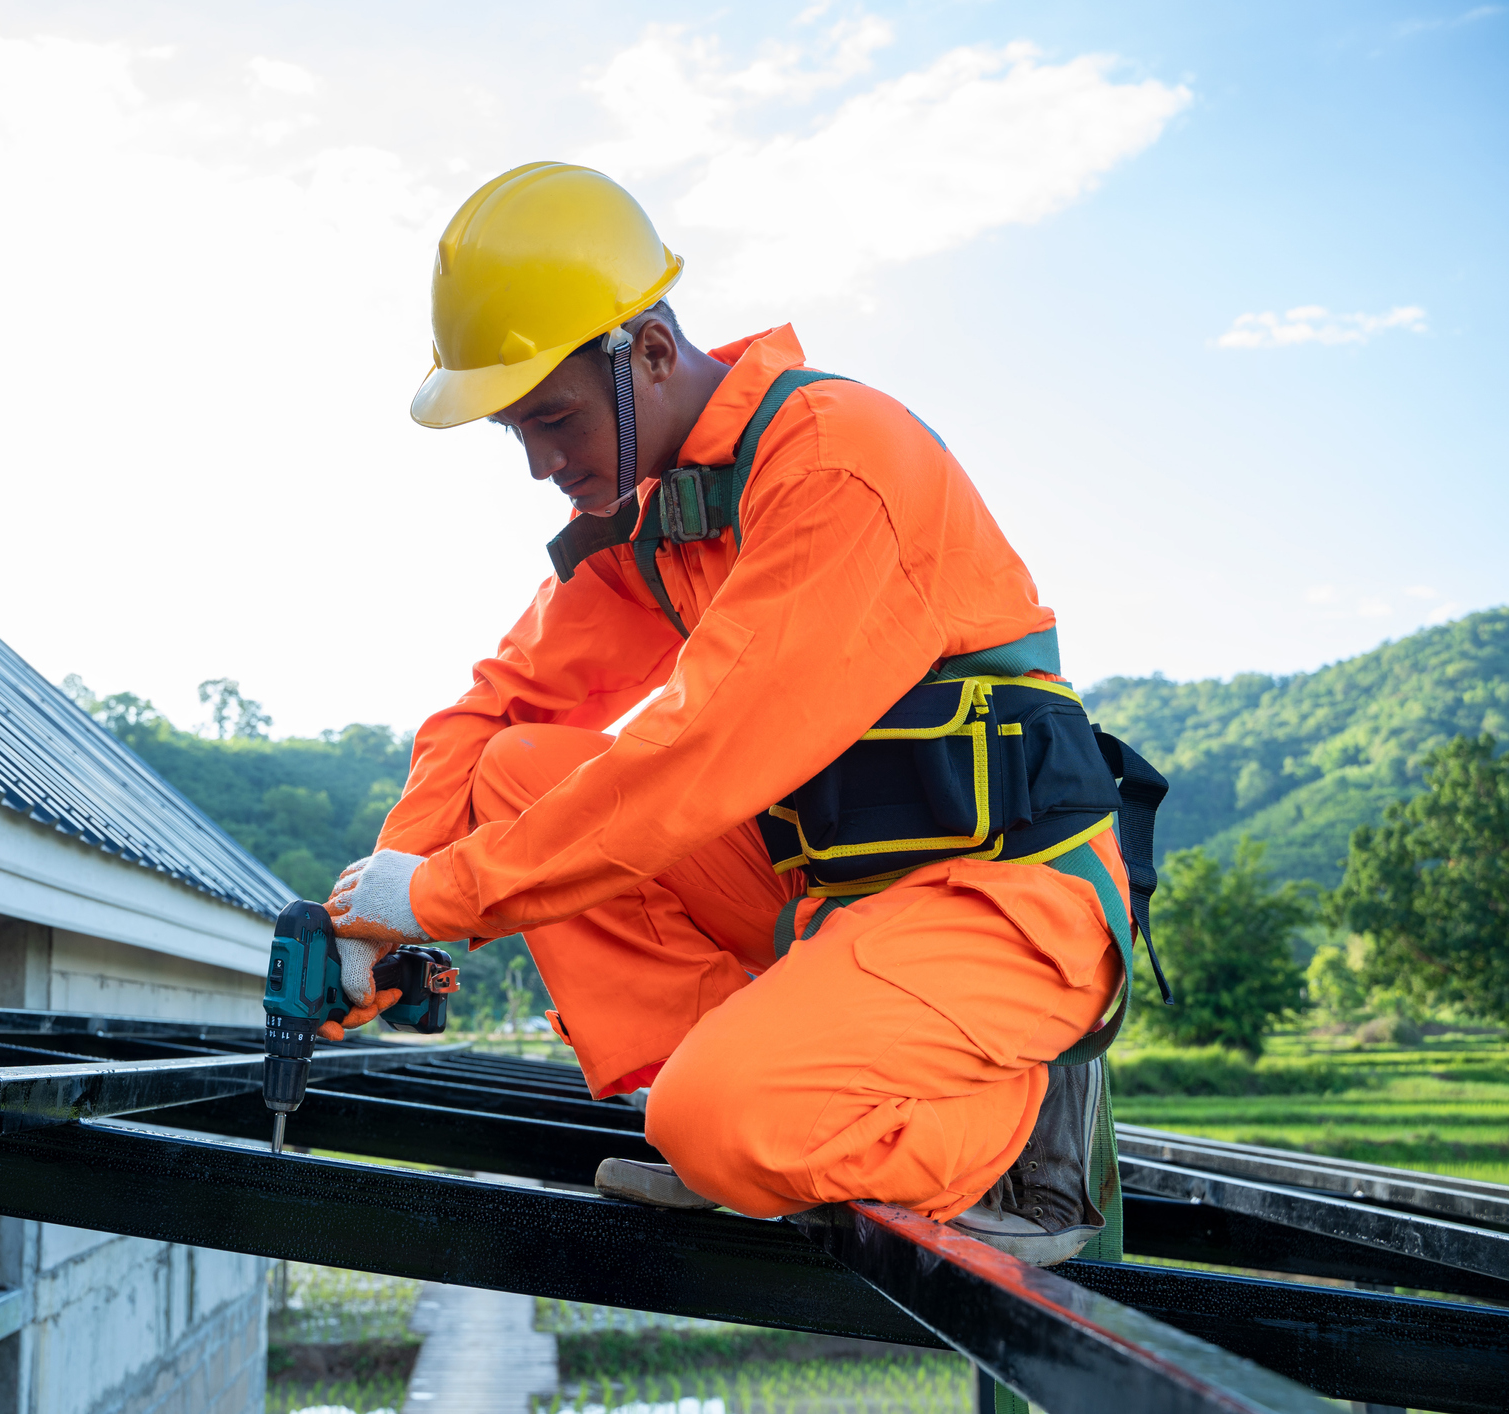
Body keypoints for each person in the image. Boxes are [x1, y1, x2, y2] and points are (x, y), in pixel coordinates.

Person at [322, 162, 1166, 1265]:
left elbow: (700, 754)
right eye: (514, 434)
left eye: (554, 418)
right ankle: (750, 1091)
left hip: (1001, 906)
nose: (538, 464)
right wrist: (378, 908)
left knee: (718, 1119)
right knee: (515, 773)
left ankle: (1001, 1123)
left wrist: (444, 893)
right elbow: (488, 711)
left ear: (655, 356)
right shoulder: (661, 525)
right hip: (841, 908)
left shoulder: (837, 467)